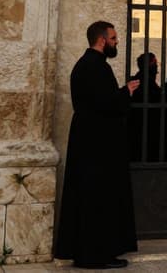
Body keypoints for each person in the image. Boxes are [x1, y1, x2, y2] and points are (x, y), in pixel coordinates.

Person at [55, 21, 140, 269]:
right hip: (98, 144)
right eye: (113, 39)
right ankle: (97, 254)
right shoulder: (96, 67)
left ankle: (87, 252)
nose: (116, 43)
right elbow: (107, 104)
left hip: (87, 140)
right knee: (98, 198)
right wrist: (127, 92)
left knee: (88, 196)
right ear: (102, 40)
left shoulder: (85, 65)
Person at [127, 52, 162, 162]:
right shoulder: (144, 82)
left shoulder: (137, 81)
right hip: (145, 126)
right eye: (154, 63)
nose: (156, 66)